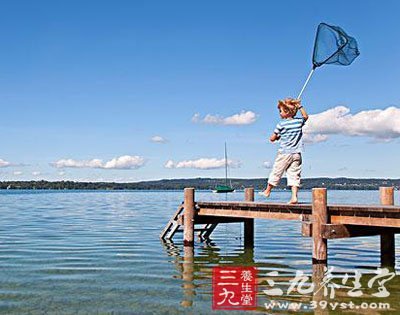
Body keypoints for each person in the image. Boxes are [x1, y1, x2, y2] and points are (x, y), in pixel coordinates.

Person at [263, 98, 309, 204]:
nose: (280, 113)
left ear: (287, 112)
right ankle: (294, 197)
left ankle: (267, 191)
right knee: (294, 175)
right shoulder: (298, 122)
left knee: (277, 171)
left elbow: (272, 138)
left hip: (284, 153)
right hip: (297, 154)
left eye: (281, 111)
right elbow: (306, 117)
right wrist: (300, 107)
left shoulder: (281, 124)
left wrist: (278, 137)